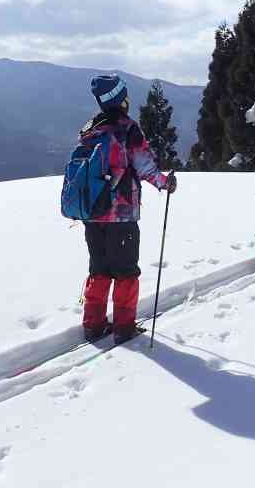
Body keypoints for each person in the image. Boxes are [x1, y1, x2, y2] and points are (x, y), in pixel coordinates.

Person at [78, 75, 177, 344]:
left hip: (92, 213)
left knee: (99, 269)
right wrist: (165, 183)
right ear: (121, 99)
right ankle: (123, 328)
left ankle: (93, 325)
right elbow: (144, 165)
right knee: (125, 271)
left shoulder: (90, 128)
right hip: (120, 214)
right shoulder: (127, 128)